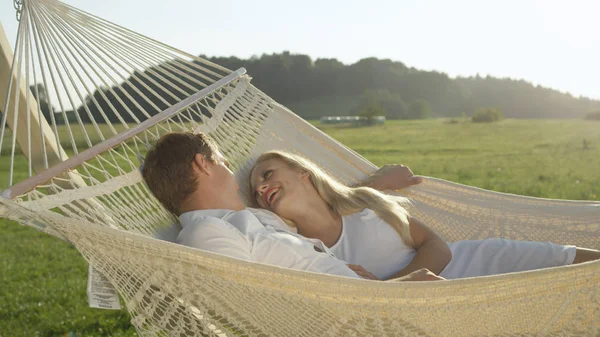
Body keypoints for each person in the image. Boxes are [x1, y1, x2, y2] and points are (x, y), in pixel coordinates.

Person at [249, 151, 600, 280]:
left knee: (580, 265)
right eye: (256, 191)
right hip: (439, 303)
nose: (262, 188)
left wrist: (396, 286)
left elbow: (439, 247)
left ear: (302, 172)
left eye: (268, 175)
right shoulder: (293, 248)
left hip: (478, 262)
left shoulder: (366, 204)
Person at [141, 132, 442, 282]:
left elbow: (318, 209)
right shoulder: (206, 233)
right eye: (223, 162)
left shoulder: (251, 219)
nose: (234, 175)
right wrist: (391, 294)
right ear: (202, 164)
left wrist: (376, 183)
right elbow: (257, 306)